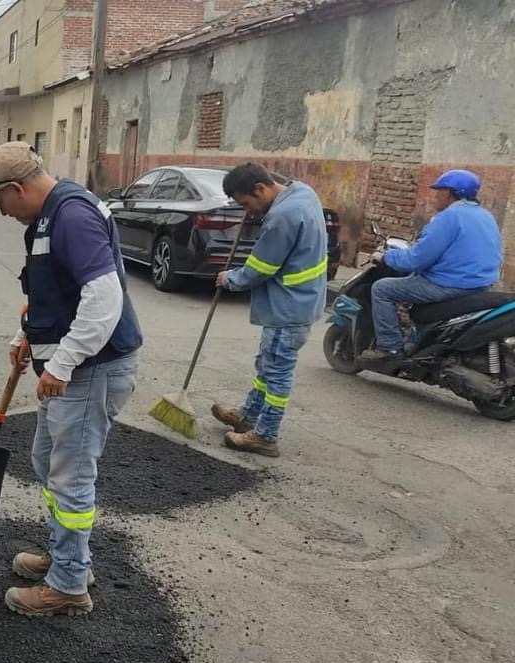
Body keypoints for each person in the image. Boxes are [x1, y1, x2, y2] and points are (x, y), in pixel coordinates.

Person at [0, 142, 143, 617]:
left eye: (2, 203)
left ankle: (69, 584)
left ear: (16, 188)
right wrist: (27, 333)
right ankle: (67, 555)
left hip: (93, 370)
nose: (4, 214)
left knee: (70, 477)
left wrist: (62, 363)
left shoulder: (70, 216)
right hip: (77, 366)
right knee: (47, 460)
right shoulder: (48, 217)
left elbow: (103, 297)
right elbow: (52, 294)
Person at [212, 163, 328, 458]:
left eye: (246, 203)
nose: (247, 210)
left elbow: (261, 268)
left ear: (260, 188)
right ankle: (247, 416)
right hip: (301, 301)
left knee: (276, 373)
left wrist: (230, 279)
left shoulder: (282, 217)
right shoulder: (302, 193)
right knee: (268, 365)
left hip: (288, 307)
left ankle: (265, 435)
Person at [360, 169, 503, 363]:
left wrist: (386, 257)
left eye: (438, 191)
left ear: (449, 193)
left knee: (382, 289)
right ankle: (415, 337)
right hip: (480, 285)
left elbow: (416, 260)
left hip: (449, 285)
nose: (435, 196)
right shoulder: (485, 216)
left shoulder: (449, 217)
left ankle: (389, 348)